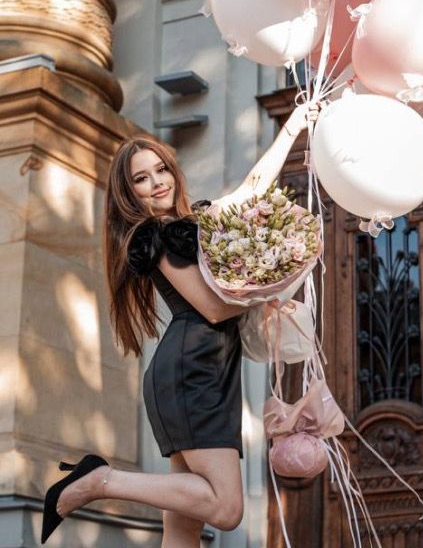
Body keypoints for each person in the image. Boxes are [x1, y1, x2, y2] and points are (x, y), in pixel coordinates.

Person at [41, 102, 319, 546]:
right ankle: (100, 481)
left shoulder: (194, 223)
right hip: (193, 372)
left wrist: (295, 124)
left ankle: (101, 480)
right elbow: (212, 309)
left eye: (160, 170)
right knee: (225, 509)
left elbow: (251, 188)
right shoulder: (156, 236)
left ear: (173, 170)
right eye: (141, 178)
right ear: (129, 193)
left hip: (205, 368)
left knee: (184, 524)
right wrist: (266, 289)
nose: (156, 183)